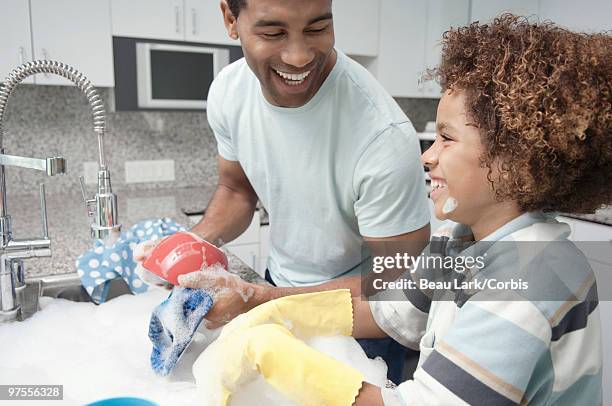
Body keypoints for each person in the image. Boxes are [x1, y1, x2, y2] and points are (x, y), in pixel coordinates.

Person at [187, 14, 610, 405]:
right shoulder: (463, 239)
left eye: (446, 138)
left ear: (516, 160)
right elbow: (392, 310)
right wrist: (266, 304)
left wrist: (275, 357)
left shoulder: (528, 282)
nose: (427, 157)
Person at [186, 0, 430, 383]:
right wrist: (189, 243)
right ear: (231, 19)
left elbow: (396, 287)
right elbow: (236, 191)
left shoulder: (382, 137)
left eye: (317, 29)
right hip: (276, 283)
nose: (299, 57)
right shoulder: (229, 92)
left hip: (359, 324)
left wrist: (262, 301)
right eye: (273, 33)